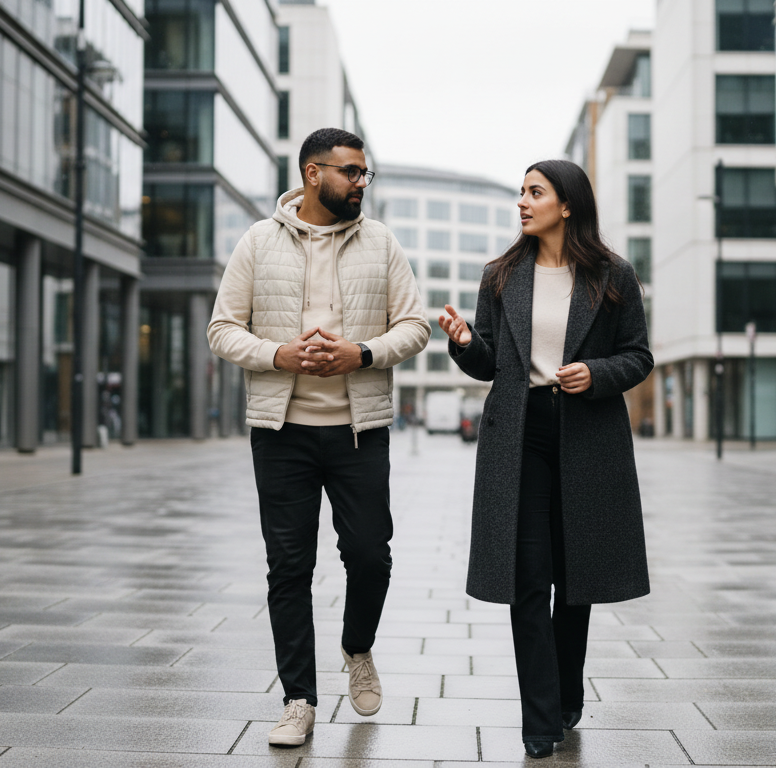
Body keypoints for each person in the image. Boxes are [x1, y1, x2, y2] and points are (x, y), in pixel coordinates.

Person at [207, 127, 430, 747]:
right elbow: (222, 329)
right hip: (282, 433)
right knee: (289, 567)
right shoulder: (258, 241)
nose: (361, 183)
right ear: (313, 173)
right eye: (351, 172)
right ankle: (298, 699)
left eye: (365, 174)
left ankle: (357, 648)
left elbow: (414, 327)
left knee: (369, 556)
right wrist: (278, 355)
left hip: (360, 431)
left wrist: (360, 353)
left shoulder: (381, 242)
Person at [439, 159, 653, 758]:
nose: (522, 202)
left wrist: (598, 372)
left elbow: (639, 357)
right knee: (528, 579)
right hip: (520, 435)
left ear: (567, 205)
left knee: (575, 577)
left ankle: (564, 694)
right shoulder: (501, 276)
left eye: (535, 192)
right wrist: (463, 343)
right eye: (522, 192)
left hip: (587, 434)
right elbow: (490, 365)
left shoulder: (614, 276)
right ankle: (540, 720)